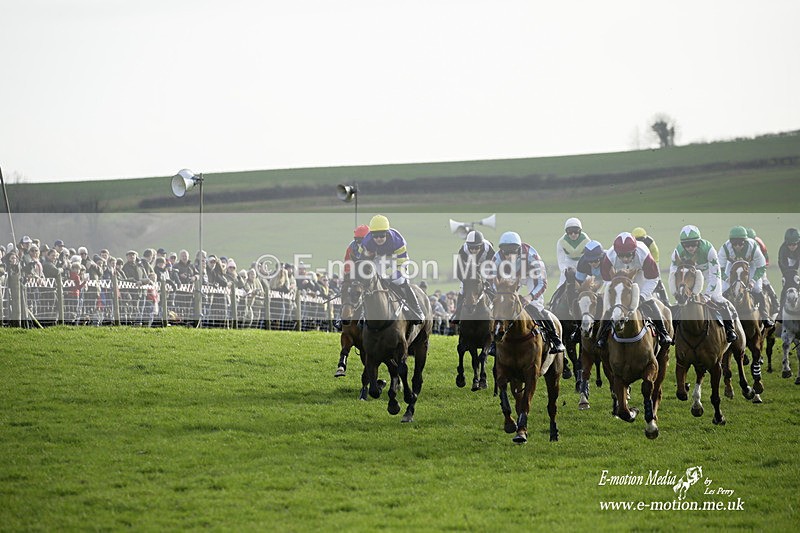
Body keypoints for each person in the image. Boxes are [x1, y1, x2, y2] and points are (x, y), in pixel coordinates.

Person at [490, 231, 565, 355]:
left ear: (518, 250)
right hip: (510, 276)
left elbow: (542, 283)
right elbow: (492, 281)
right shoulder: (497, 258)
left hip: (532, 275)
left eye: (512, 252)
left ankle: (555, 338)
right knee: (501, 307)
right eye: (505, 252)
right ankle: (493, 342)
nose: (508, 255)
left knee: (536, 306)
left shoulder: (531, 256)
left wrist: (529, 297)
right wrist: (501, 294)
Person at [596, 232, 673, 349]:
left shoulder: (644, 254)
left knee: (649, 301)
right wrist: (615, 294)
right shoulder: (609, 257)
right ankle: (601, 337)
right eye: (621, 256)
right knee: (610, 306)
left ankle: (663, 333)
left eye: (628, 255)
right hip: (619, 277)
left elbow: (653, 278)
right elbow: (607, 280)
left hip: (640, 274)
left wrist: (642, 296)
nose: (625, 259)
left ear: (634, 251)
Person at [668, 225, 738, 342]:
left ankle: (730, 329)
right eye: (687, 245)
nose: (690, 248)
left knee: (716, 297)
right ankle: (674, 332)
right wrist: (676, 291)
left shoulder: (709, 250)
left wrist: (707, 295)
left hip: (708, 272)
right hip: (690, 275)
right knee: (680, 301)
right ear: (682, 245)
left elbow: (714, 275)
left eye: (693, 244)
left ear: (699, 242)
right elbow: (673, 273)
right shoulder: (677, 252)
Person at [358, 214, 424, 324]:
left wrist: (392, 278)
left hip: (396, 258)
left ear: (387, 233)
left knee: (400, 281)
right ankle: (360, 313)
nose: (378, 238)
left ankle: (416, 310)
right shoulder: (366, 242)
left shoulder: (397, 241)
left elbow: (402, 263)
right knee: (367, 282)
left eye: (382, 235)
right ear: (371, 234)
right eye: (375, 236)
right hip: (378, 258)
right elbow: (360, 262)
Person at [719, 225, 773, 327]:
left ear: (746, 241)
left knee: (757, 288)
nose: (738, 246)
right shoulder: (725, 248)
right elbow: (719, 268)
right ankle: (724, 316)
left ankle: (765, 317)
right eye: (734, 244)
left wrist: (753, 280)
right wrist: (727, 278)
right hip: (733, 264)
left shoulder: (753, 247)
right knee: (724, 289)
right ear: (730, 242)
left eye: (741, 243)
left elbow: (761, 266)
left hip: (751, 264)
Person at [451, 230, 495, 324]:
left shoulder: (488, 249)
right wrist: (465, 281)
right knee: (462, 289)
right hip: (469, 271)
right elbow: (459, 271)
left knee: (492, 287)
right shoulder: (463, 250)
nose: (474, 250)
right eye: (471, 248)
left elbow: (494, 266)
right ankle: (457, 314)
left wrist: (487, 281)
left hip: (485, 268)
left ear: (481, 245)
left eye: (477, 248)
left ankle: (495, 310)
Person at [632, 226, 670, 303]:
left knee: (657, 279)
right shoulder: (631, 244)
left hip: (651, 261)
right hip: (637, 263)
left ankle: (665, 300)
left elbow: (655, 259)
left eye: (641, 240)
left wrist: (656, 273)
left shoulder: (651, 243)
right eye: (637, 240)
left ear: (645, 238)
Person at [746, 227, 779, 311]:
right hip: (745, 265)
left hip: (759, 265)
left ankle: (775, 302)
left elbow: (766, 259)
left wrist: (763, 269)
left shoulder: (760, 244)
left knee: (764, 280)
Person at [555, 217, 590, 292]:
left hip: (582, 261)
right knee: (561, 284)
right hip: (569, 262)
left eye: (576, 231)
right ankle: (554, 301)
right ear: (566, 232)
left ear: (580, 231)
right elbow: (561, 261)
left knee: (589, 283)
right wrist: (564, 271)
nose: (573, 234)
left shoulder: (586, 240)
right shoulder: (561, 242)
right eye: (570, 232)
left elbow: (589, 256)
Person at [777, 228, 800, 320]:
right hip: (788, 264)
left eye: (794, 244)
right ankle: (780, 312)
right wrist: (788, 276)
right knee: (787, 284)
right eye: (789, 244)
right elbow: (782, 264)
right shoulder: (783, 249)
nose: (792, 246)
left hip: (797, 262)